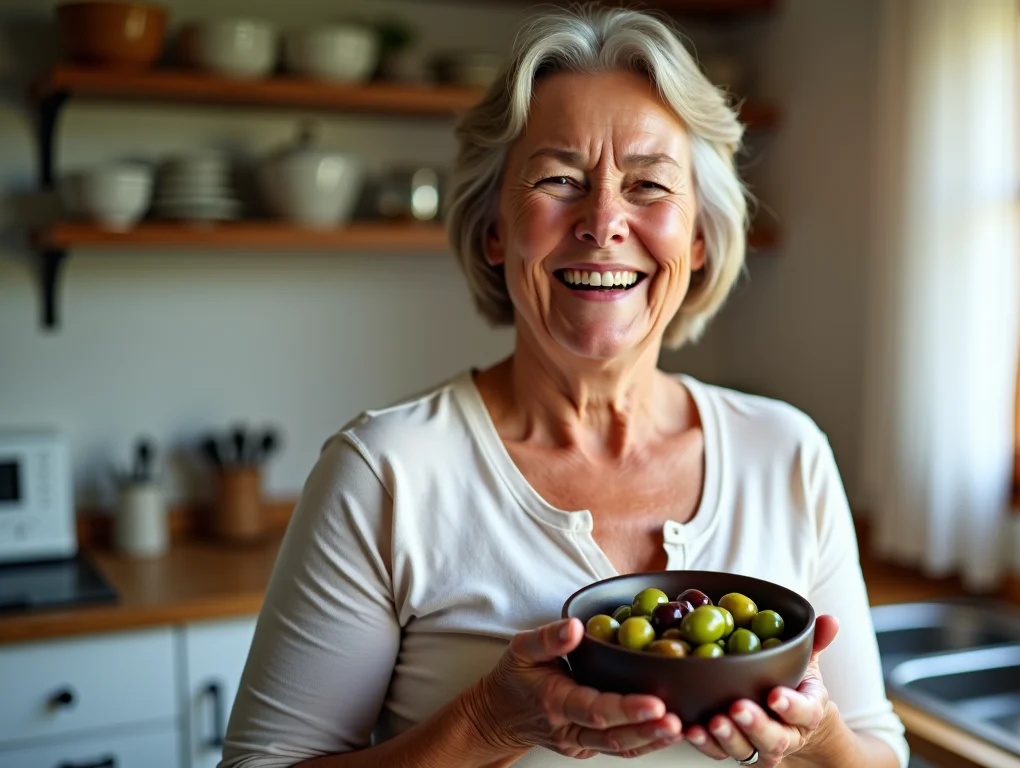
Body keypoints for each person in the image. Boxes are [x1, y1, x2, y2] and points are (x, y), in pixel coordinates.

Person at [220, 6, 907, 768]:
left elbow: (877, 756)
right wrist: (488, 721)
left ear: (702, 238)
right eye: (559, 179)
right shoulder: (385, 474)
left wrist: (816, 740)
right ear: (494, 229)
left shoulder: (787, 453)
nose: (604, 219)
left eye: (649, 185)